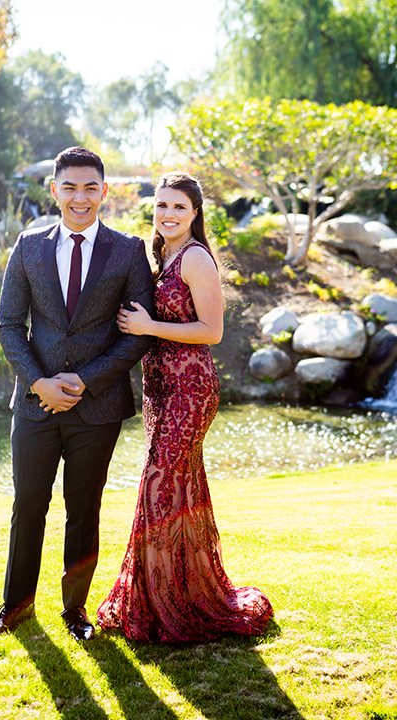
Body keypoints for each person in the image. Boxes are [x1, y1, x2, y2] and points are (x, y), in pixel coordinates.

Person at [0, 146, 155, 641]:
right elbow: (9, 325)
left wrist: (87, 380)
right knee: (28, 503)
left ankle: (75, 613)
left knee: (84, 508)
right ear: (54, 190)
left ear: (104, 191)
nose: (81, 197)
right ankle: (15, 607)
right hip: (34, 402)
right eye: (70, 187)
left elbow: (139, 333)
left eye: (90, 187)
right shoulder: (28, 246)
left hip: (97, 406)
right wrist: (39, 383)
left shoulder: (128, 250)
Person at [97, 171, 273, 643]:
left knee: (160, 482)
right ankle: (181, 591)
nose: (168, 214)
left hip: (191, 389)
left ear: (195, 213)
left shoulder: (194, 258)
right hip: (161, 388)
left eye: (178, 207)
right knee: (180, 488)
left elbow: (211, 331)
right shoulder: (162, 255)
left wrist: (150, 325)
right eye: (161, 206)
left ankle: (165, 601)